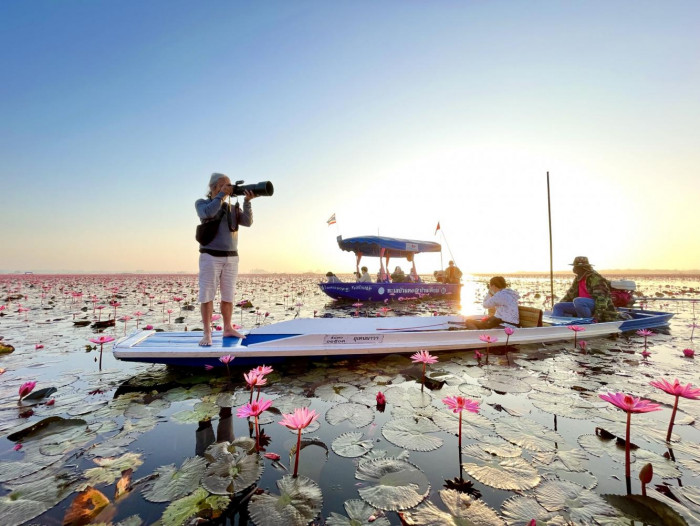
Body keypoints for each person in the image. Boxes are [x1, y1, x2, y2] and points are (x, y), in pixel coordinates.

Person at [196, 173, 256, 346]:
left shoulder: (231, 207)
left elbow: (247, 222)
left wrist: (247, 202)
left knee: (228, 296)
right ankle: (207, 333)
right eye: (224, 185)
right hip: (210, 256)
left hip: (231, 257)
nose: (229, 188)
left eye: (229, 185)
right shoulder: (203, 204)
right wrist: (222, 195)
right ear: (214, 187)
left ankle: (228, 328)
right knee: (207, 295)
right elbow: (208, 213)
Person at [553, 256, 620, 322]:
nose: (575, 269)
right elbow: (569, 295)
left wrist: (597, 316)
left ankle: (585, 322)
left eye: (577, 267)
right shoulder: (578, 279)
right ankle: (555, 325)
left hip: (595, 306)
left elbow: (601, 300)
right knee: (558, 306)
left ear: (584, 268)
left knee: (578, 301)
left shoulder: (595, 278)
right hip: (581, 306)